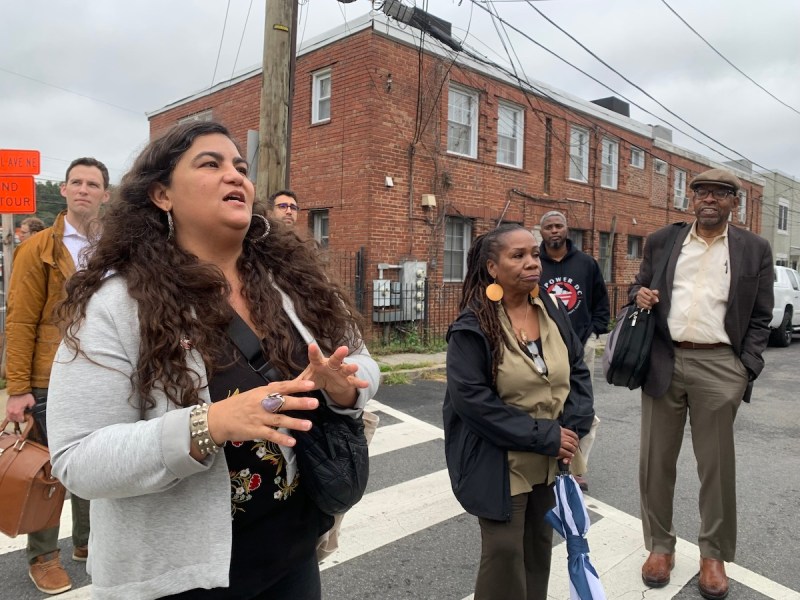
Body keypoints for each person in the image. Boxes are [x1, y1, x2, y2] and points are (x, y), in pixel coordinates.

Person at [45, 120, 380, 600]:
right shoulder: (116, 303)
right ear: (162, 195)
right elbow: (78, 459)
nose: (235, 176)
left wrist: (344, 387)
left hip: (294, 551)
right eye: (210, 164)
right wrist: (211, 424)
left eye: (240, 168)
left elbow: (364, 364)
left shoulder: (292, 284)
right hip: (180, 577)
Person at [631, 168, 772, 600]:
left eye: (721, 194)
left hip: (719, 364)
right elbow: (638, 286)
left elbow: (762, 316)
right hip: (665, 358)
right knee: (656, 461)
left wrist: (744, 367)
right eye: (702, 192)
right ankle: (660, 546)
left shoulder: (753, 249)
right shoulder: (663, 240)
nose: (709, 199)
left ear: (735, 203)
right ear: (691, 199)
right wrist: (639, 294)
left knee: (716, 467)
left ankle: (714, 553)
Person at [443, 223, 594, 600]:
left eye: (534, 254)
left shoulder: (551, 308)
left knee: (538, 546)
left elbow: (577, 369)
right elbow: (472, 402)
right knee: (504, 553)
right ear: (492, 268)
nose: (533, 263)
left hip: (550, 457)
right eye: (519, 256)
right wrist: (546, 436)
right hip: (499, 459)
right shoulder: (473, 326)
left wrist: (571, 429)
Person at [4, 157, 109, 595]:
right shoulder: (38, 248)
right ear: (63, 190)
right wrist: (18, 388)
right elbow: (21, 321)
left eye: (93, 183)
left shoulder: (111, 247)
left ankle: (87, 544)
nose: (84, 189)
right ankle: (44, 556)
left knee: (96, 461)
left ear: (105, 194)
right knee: (48, 472)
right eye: (76, 182)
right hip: (50, 376)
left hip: (103, 372)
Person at [539, 210, 609, 492]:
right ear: (541, 232)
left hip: (580, 346)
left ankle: (577, 467)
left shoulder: (586, 263)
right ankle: (547, 462)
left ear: (567, 229)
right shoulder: (534, 262)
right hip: (542, 345)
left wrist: (593, 334)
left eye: (559, 226)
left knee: (582, 407)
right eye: (548, 227)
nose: (554, 231)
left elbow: (601, 302)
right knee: (546, 405)